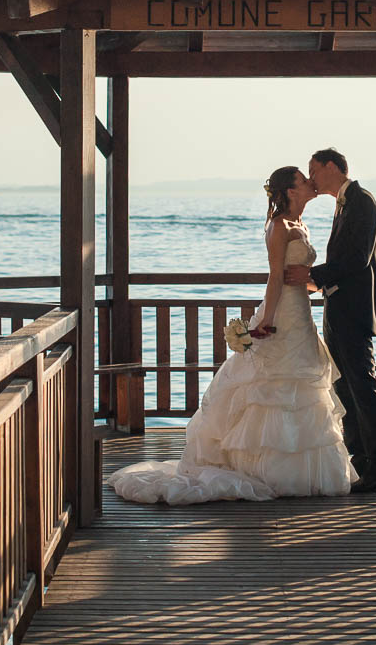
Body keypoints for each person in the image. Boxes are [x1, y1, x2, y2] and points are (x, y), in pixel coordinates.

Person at [107, 166, 355, 505]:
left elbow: (299, 277)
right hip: (282, 313)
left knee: (304, 389)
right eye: (304, 178)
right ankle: (263, 469)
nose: (311, 182)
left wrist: (313, 284)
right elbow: (274, 279)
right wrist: (264, 321)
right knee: (269, 389)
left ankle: (300, 472)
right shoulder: (279, 227)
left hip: (302, 313)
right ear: (290, 191)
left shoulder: (302, 225)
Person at [285, 148, 376, 493]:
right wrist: (317, 281)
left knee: (363, 388)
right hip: (338, 307)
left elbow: (356, 260)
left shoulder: (362, 202)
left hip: (355, 312)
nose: (311, 178)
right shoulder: (344, 203)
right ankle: (359, 463)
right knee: (346, 388)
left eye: (313, 170)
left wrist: (310, 274)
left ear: (332, 167)